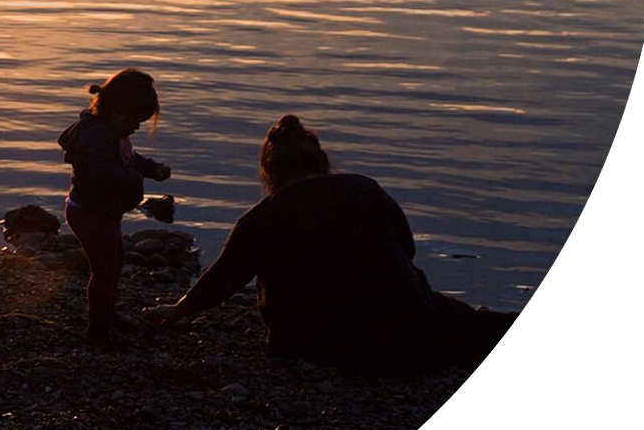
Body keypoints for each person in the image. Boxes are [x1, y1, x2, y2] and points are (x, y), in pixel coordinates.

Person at [146, 114, 520, 371]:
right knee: (472, 322)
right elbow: (406, 248)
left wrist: (176, 311)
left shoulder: (258, 220)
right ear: (321, 163)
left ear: (269, 171)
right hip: (412, 335)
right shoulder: (364, 188)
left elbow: (223, 279)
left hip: (315, 346)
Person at [59, 68, 172, 348]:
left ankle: (107, 315)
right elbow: (98, 170)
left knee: (115, 262)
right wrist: (132, 178)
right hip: (89, 212)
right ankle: (99, 330)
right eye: (134, 120)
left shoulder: (111, 131)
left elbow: (128, 158)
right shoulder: (96, 135)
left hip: (104, 212)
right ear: (118, 110)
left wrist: (150, 168)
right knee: (104, 270)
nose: (136, 128)